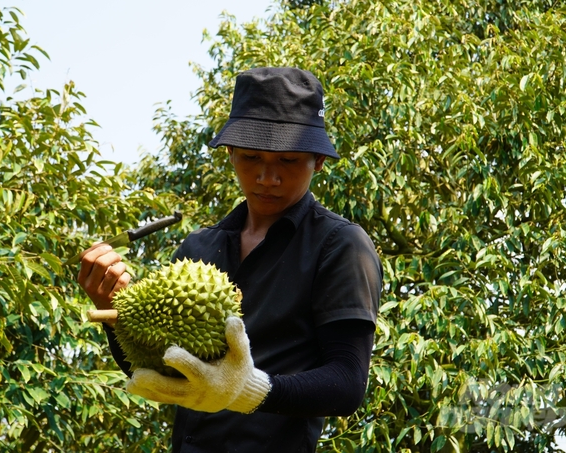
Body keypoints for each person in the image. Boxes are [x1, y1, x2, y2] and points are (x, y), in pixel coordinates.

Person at [78, 67, 382, 452]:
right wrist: (115, 311)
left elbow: (346, 383)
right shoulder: (198, 249)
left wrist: (250, 390)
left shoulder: (340, 245)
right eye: (252, 156)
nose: (266, 176)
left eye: (288, 161)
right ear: (231, 153)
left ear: (318, 162)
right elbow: (159, 370)